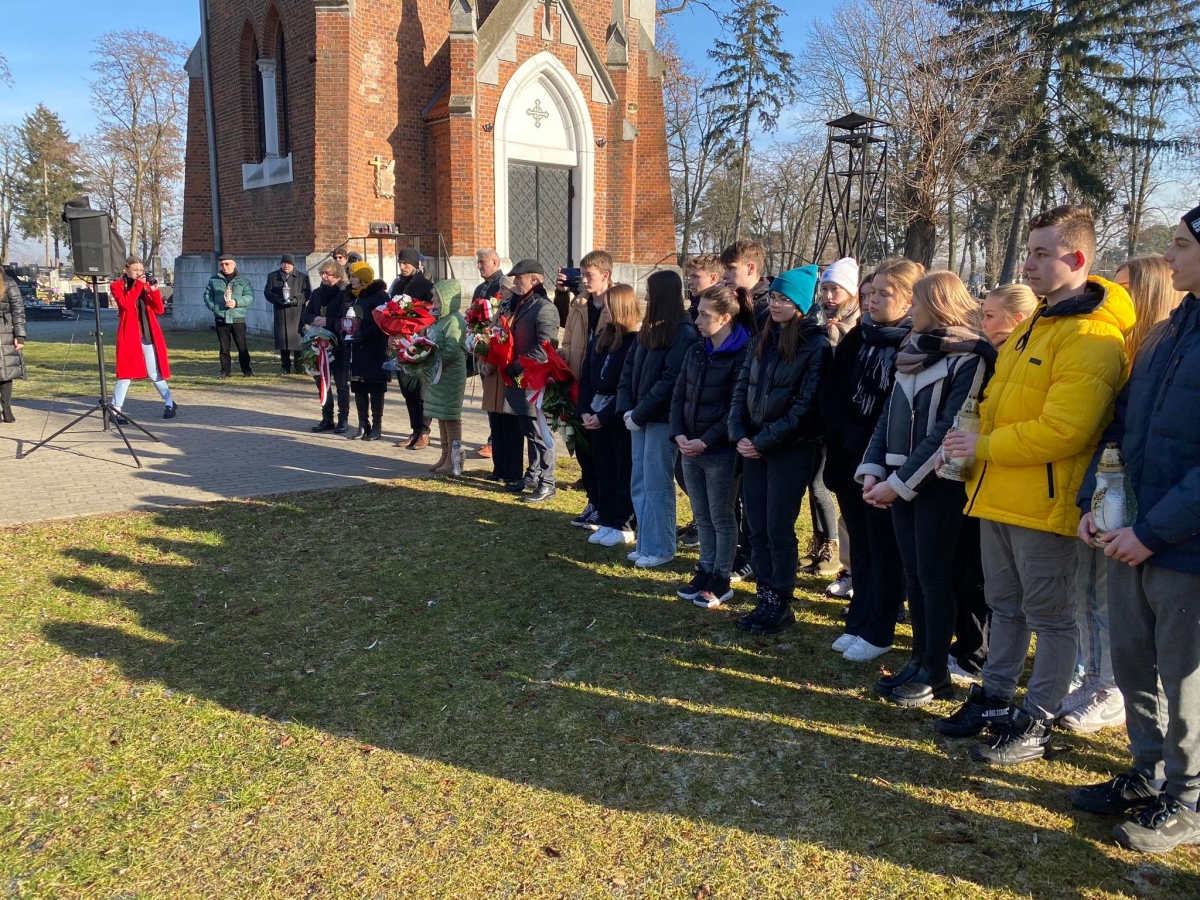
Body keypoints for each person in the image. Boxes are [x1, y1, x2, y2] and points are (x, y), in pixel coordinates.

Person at [939, 205, 1133, 766]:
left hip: (1043, 503)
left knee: (1051, 618)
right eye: (1029, 252)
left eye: (1042, 253)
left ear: (1077, 258)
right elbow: (998, 403)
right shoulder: (1035, 324)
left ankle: (1038, 720)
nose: (1029, 264)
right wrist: (974, 443)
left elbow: (1066, 430)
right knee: (1004, 606)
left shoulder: (1093, 337)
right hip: (997, 491)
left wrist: (984, 447)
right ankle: (996, 697)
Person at [1068, 208, 1200, 853]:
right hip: (1131, 535)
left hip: (1185, 549)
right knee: (1134, 662)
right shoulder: (1166, 333)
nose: (1167, 255)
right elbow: (1121, 431)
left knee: (1184, 679)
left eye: (1179, 244)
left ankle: (1190, 799)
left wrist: (1153, 531)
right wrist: (1100, 499)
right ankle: (1146, 773)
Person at [856, 272, 996, 706]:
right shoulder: (912, 350)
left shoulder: (971, 357)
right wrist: (873, 467)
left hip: (938, 484)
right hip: (899, 482)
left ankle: (936, 671)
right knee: (914, 576)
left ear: (937, 304)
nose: (909, 309)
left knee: (936, 579)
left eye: (915, 302)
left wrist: (900, 485)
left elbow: (949, 430)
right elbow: (887, 417)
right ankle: (918, 660)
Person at [1059, 254, 1184, 734]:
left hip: (1152, 507)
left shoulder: (1160, 350)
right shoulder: (1120, 345)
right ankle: (1095, 676)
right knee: (1089, 587)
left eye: (1127, 287)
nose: (1115, 294)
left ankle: (1115, 689)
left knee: (1125, 604)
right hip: (1101, 488)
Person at [823, 258, 918, 662]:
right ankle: (859, 616)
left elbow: (896, 407)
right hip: (847, 458)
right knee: (860, 544)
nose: (873, 300)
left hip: (883, 464)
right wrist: (841, 431)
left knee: (884, 550)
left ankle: (879, 627)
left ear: (911, 300)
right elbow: (831, 388)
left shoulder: (912, 343)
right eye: (870, 293)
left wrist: (866, 443)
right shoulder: (859, 335)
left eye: (884, 294)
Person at [729, 265, 830, 633]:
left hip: (789, 450)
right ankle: (765, 598)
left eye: (785, 299)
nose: (775, 304)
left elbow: (805, 407)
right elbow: (742, 387)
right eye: (773, 297)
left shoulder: (816, 346)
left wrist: (763, 441)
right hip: (753, 446)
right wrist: (739, 432)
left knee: (777, 529)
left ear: (801, 305)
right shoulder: (762, 338)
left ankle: (781, 601)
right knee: (755, 526)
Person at [672, 285, 752, 607]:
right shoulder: (696, 350)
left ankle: (721, 577)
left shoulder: (742, 354)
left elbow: (736, 407)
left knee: (721, 516)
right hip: (690, 447)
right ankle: (705, 568)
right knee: (701, 515)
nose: (698, 318)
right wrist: (679, 434)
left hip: (719, 452)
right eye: (698, 311)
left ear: (724, 317)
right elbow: (679, 395)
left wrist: (706, 440)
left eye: (705, 314)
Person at [619, 271, 701, 568]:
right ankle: (646, 542)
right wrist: (627, 407)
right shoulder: (649, 329)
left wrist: (639, 413)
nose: (646, 297)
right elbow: (630, 368)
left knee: (657, 483)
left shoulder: (683, 333)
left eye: (651, 292)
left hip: (660, 420)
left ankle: (662, 546)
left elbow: (670, 382)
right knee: (640, 480)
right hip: (638, 417)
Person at [814, 258, 863, 595]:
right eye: (826, 288)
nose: (830, 296)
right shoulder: (819, 320)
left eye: (836, 289)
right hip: (826, 422)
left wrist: (842, 340)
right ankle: (847, 567)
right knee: (837, 494)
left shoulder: (858, 326)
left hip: (855, 429)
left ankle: (858, 570)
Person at [578, 283, 641, 547]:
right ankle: (605, 518)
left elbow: (627, 387)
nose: (604, 311)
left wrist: (604, 415)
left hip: (617, 417)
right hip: (595, 414)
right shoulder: (602, 338)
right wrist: (584, 410)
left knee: (621, 470)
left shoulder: (635, 341)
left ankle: (623, 523)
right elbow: (587, 376)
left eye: (609, 307)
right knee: (602, 469)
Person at [561, 250, 615, 530]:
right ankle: (593, 501)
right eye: (581, 274)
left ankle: (608, 507)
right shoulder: (579, 304)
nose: (583, 280)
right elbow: (569, 341)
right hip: (578, 386)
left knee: (603, 453)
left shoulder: (618, 304)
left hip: (605, 389)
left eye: (588, 275)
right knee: (583, 449)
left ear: (606, 276)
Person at [503, 260, 562, 503]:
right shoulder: (522, 304)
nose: (516, 283)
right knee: (528, 429)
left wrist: (517, 363)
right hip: (521, 379)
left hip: (535, 380)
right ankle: (533, 474)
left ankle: (548, 482)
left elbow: (545, 347)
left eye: (520, 278)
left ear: (535, 280)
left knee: (540, 432)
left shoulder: (544, 308)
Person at [109, 256, 177, 422]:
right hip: (129, 335)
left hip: (148, 333)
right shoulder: (116, 286)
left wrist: (154, 290)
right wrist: (139, 285)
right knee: (125, 373)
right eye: (135, 270)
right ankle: (115, 409)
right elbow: (125, 303)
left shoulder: (144, 285)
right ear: (126, 269)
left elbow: (159, 309)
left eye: (141, 270)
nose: (139, 273)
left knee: (154, 372)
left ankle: (169, 402)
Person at [479, 277, 525, 483]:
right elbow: (491, 336)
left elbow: (510, 343)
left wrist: (494, 361)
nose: (501, 293)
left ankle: (512, 471)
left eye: (505, 289)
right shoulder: (501, 310)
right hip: (493, 376)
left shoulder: (516, 313)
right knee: (496, 424)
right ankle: (499, 467)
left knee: (511, 426)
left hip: (506, 373)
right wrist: (482, 354)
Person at [390, 247, 435, 449]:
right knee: (407, 390)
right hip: (400, 344)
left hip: (419, 344)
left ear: (416, 264)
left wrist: (415, 334)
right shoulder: (398, 285)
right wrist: (392, 335)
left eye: (405, 263)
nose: (402, 266)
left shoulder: (426, 286)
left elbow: (432, 315)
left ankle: (425, 432)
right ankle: (415, 429)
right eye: (400, 263)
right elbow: (390, 312)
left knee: (421, 391)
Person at [423, 279, 468, 475]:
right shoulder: (440, 318)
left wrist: (429, 357)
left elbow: (451, 349)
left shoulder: (454, 320)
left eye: (436, 296)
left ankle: (455, 459)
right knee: (441, 415)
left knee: (450, 416)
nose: (433, 299)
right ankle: (444, 455)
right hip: (439, 374)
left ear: (446, 298)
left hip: (450, 374)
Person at [301, 259, 351, 433]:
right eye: (322, 273)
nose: (323, 276)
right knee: (322, 381)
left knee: (341, 383)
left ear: (337, 276)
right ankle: (327, 417)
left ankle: (343, 419)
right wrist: (314, 319)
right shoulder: (316, 293)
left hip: (339, 345)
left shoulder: (345, 294)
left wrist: (328, 321)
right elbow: (306, 314)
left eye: (327, 274)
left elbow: (348, 320)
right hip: (318, 345)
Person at [344, 261, 391, 441]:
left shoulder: (380, 297)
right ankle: (363, 424)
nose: (350, 279)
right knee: (359, 387)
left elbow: (383, 324)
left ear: (363, 279)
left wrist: (362, 334)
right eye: (350, 275)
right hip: (355, 349)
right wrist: (345, 329)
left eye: (354, 276)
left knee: (375, 387)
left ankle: (377, 426)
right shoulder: (350, 295)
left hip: (374, 349)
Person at [473, 248, 505, 460]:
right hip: (482, 347)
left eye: (482, 262)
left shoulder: (502, 285)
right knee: (489, 398)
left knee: (497, 400)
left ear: (495, 262)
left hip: (497, 348)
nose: (478, 266)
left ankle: (496, 441)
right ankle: (495, 438)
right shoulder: (479, 288)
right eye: (478, 262)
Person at [204, 254, 255, 378]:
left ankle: (246, 370)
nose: (224, 266)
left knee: (242, 346)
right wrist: (214, 307)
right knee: (224, 347)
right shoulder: (214, 280)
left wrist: (236, 302)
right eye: (222, 264)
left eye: (227, 264)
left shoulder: (243, 281)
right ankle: (225, 371)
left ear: (234, 264)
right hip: (221, 317)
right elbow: (207, 296)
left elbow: (250, 297)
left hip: (237, 318)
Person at [264, 253, 311, 375]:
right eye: (284, 263)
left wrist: (296, 300)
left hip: (296, 313)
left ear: (293, 265)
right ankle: (285, 366)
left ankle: (300, 366)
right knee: (283, 341)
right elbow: (267, 292)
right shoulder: (273, 276)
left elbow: (307, 293)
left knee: (297, 339)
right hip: (281, 312)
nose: (286, 266)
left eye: (289, 264)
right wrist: (276, 299)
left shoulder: (302, 277)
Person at [721, 239, 773, 327]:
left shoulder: (770, 309)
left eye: (731, 268)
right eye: (725, 269)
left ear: (751, 268)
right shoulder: (723, 300)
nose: (724, 275)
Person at [0, 267, 27, 423]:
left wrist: (20, 335)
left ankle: (7, 408)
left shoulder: (8, 283)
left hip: (4, 330)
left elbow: (18, 310)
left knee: (5, 372)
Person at [980, 283, 1038, 349]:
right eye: (983, 315)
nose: (982, 323)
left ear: (1017, 319)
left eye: (989, 316)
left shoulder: (1018, 351)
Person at [685, 253, 724, 320]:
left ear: (713, 278)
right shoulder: (695, 305)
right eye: (690, 277)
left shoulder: (723, 309)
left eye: (695, 276)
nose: (690, 282)